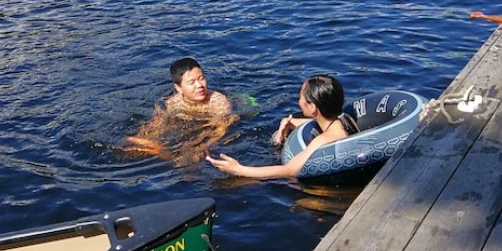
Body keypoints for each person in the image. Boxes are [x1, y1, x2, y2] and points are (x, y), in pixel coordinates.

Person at [207, 74, 357, 180]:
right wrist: (290, 122)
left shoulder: (325, 140)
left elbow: (289, 170)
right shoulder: (340, 120)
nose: (299, 101)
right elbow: (319, 122)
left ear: (313, 108)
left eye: (301, 98)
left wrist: (239, 169)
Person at [125, 58, 236, 166]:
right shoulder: (173, 103)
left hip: (207, 126)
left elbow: (220, 130)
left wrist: (197, 150)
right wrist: (145, 136)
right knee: (154, 129)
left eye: (201, 78)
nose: (199, 85)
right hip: (185, 123)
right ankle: (146, 146)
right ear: (178, 88)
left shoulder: (218, 102)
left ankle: (169, 155)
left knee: (186, 158)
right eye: (191, 82)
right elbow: (158, 122)